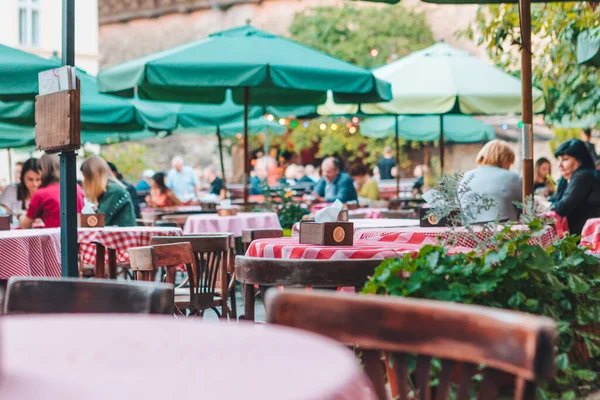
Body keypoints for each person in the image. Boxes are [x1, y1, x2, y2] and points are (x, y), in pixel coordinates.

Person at [459, 140, 522, 223]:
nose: (510, 166)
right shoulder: (513, 177)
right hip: (505, 233)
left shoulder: (465, 177)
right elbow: (527, 207)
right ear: (505, 159)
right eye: (510, 162)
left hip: (469, 233)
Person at [550, 139, 600, 235]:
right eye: (558, 160)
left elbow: (562, 208)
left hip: (589, 239)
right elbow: (555, 200)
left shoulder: (583, 176)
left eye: (565, 159)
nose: (559, 165)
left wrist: (548, 205)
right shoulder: (565, 179)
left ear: (579, 161)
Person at [21, 153, 84, 228]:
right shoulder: (77, 188)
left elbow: (25, 225)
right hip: (77, 237)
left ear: (43, 170)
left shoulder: (41, 194)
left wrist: (20, 216)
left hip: (54, 238)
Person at [81, 156, 136, 227]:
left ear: (93, 176)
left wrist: (78, 221)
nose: (84, 182)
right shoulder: (110, 190)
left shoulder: (114, 191)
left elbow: (98, 221)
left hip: (122, 236)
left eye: (85, 177)